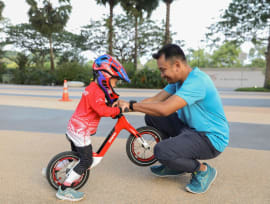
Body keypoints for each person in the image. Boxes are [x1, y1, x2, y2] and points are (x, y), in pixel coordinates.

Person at [117, 44, 229, 194]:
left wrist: (131, 106)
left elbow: (165, 108)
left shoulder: (197, 81)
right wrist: (125, 104)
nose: (162, 75)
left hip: (210, 138)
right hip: (190, 129)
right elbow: (156, 100)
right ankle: (175, 163)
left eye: (163, 70)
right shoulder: (178, 82)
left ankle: (202, 170)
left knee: (161, 151)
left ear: (177, 65)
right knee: (152, 116)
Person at [56, 54, 130, 201]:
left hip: (75, 127)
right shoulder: (96, 91)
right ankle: (64, 189)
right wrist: (119, 110)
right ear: (104, 76)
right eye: (115, 80)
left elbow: (105, 99)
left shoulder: (94, 88)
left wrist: (114, 102)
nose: (115, 84)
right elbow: (102, 110)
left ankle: (55, 168)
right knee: (87, 160)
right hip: (80, 130)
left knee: (75, 156)